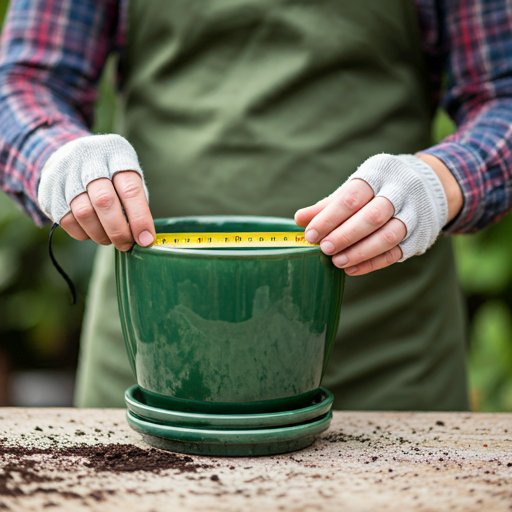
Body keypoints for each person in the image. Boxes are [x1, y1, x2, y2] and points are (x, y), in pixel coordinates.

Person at [1, 0, 511, 410]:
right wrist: (58, 155)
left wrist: (440, 181)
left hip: (386, 359)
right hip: (155, 354)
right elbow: (25, 82)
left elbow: (502, 94)